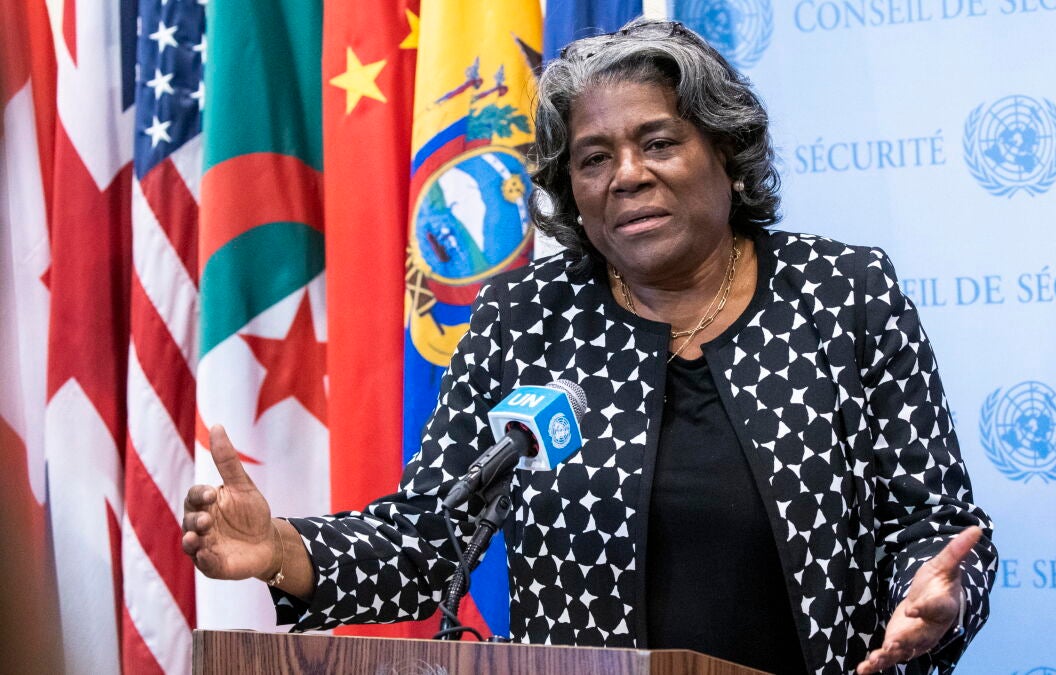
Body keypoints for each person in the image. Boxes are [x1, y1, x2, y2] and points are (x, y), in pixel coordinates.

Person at [183, 18, 996, 675]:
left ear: (727, 152)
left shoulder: (843, 294)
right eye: (594, 158)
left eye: (659, 142)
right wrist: (281, 547)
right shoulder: (526, 317)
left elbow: (936, 524)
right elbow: (431, 535)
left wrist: (938, 595)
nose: (627, 175)